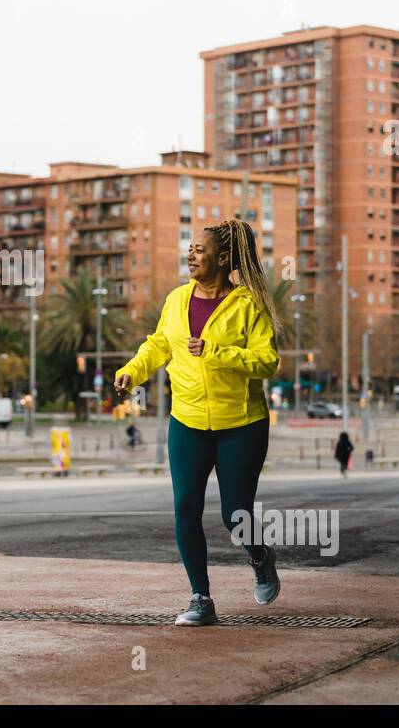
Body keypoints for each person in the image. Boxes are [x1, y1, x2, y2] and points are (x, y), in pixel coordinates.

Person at [114, 220, 282, 627]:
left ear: (223, 259)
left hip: (241, 423)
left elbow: (267, 362)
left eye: (200, 250)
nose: (191, 255)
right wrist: (132, 371)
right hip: (187, 420)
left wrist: (216, 351)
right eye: (190, 248)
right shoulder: (176, 300)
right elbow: (159, 344)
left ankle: (260, 556)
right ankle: (200, 597)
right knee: (185, 506)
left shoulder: (249, 305)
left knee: (234, 514)